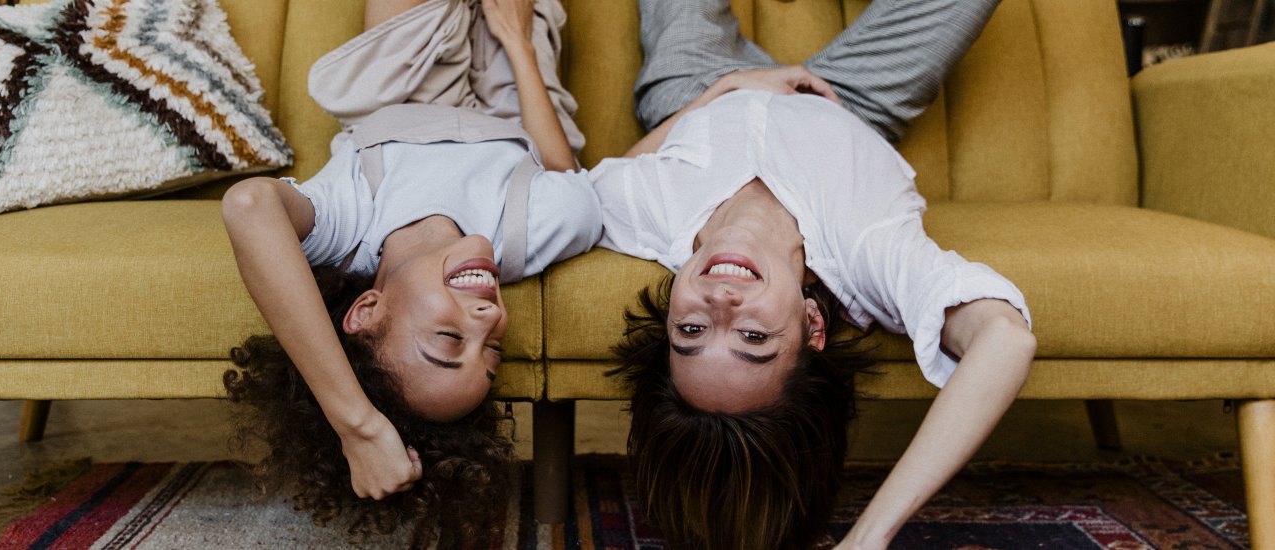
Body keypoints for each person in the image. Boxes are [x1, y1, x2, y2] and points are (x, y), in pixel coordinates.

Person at [591, 0, 1035, 548]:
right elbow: (1005, 339)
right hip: (849, 100)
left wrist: (722, 90)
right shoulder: (866, 247)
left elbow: (587, 188)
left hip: (697, 87)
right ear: (812, 326)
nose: (721, 304)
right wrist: (866, 540)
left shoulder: (648, 216)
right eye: (753, 337)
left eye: (691, 332)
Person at [219, 0, 600, 546]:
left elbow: (250, 205)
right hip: (517, 108)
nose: (489, 319)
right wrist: (516, 42)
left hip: (403, 89)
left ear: (367, 310)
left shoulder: (347, 225)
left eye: (450, 339)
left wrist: (358, 424)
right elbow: (571, 182)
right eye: (492, 352)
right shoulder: (525, 233)